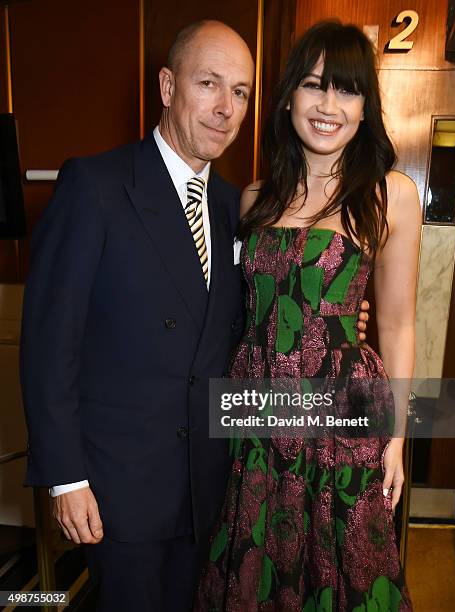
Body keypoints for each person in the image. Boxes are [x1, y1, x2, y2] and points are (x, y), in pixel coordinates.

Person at [20, 19, 369, 612]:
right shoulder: (97, 185)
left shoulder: (246, 208)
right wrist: (66, 479)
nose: (225, 109)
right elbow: (49, 345)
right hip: (120, 490)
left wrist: (332, 318)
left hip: (219, 485)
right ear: (166, 85)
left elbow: (260, 323)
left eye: (240, 92)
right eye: (208, 84)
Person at [195, 20, 420, 611]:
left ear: (367, 106)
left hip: (346, 419)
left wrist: (397, 438)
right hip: (259, 418)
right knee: (261, 570)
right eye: (315, 85)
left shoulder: (389, 195)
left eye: (347, 90)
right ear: (290, 94)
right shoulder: (253, 197)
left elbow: (396, 323)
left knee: (344, 575)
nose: (328, 106)